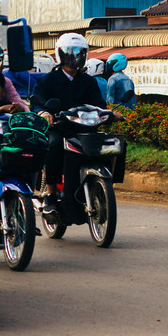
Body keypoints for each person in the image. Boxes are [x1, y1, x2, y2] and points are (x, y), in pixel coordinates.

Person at [32, 32, 110, 214]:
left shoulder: (89, 82)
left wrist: (109, 113)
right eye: (69, 53)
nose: (73, 58)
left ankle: (99, 186)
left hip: (85, 129)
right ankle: (50, 193)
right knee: (54, 145)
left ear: (85, 56)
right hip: (60, 128)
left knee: (108, 145)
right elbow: (36, 101)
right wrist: (43, 112)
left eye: (78, 53)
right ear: (60, 55)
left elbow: (99, 104)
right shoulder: (48, 80)